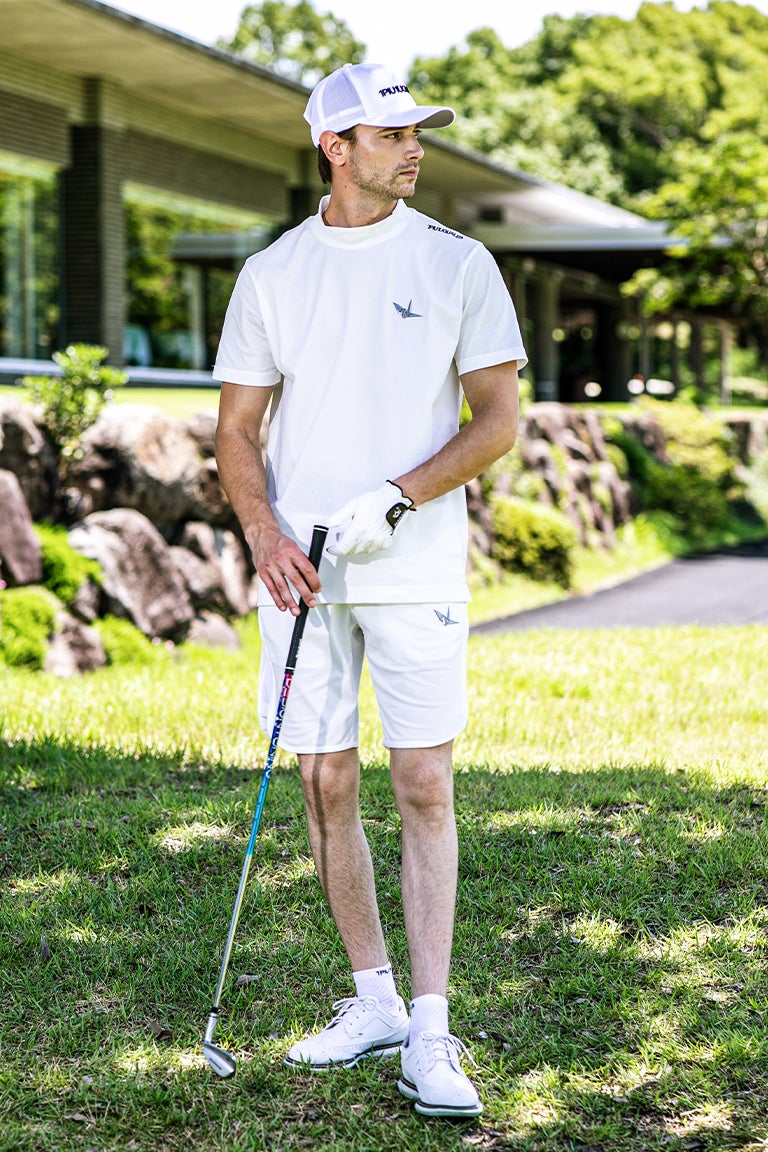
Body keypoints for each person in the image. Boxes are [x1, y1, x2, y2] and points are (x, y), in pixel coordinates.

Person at [212, 62, 527, 1119]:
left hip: (414, 566)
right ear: (334, 147)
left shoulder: (458, 262)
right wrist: (264, 534)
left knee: (424, 784)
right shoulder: (273, 274)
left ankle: (431, 1032)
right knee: (325, 782)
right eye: (390, 133)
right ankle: (376, 999)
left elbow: (496, 421)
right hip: (301, 572)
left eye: (416, 131)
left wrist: (397, 498)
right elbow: (237, 430)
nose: (413, 147)